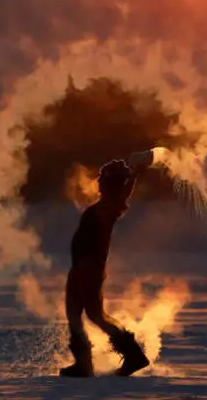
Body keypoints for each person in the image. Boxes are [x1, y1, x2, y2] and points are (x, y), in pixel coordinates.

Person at [59, 155, 152, 377]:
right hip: (84, 268)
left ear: (110, 184)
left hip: (87, 269)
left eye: (103, 180)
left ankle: (106, 360)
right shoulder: (110, 205)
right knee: (87, 315)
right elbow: (123, 194)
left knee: (89, 316)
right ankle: (94, 362)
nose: (98, 182)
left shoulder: (108, 207)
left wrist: (132, 177)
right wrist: (134, 176)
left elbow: (121, 195)